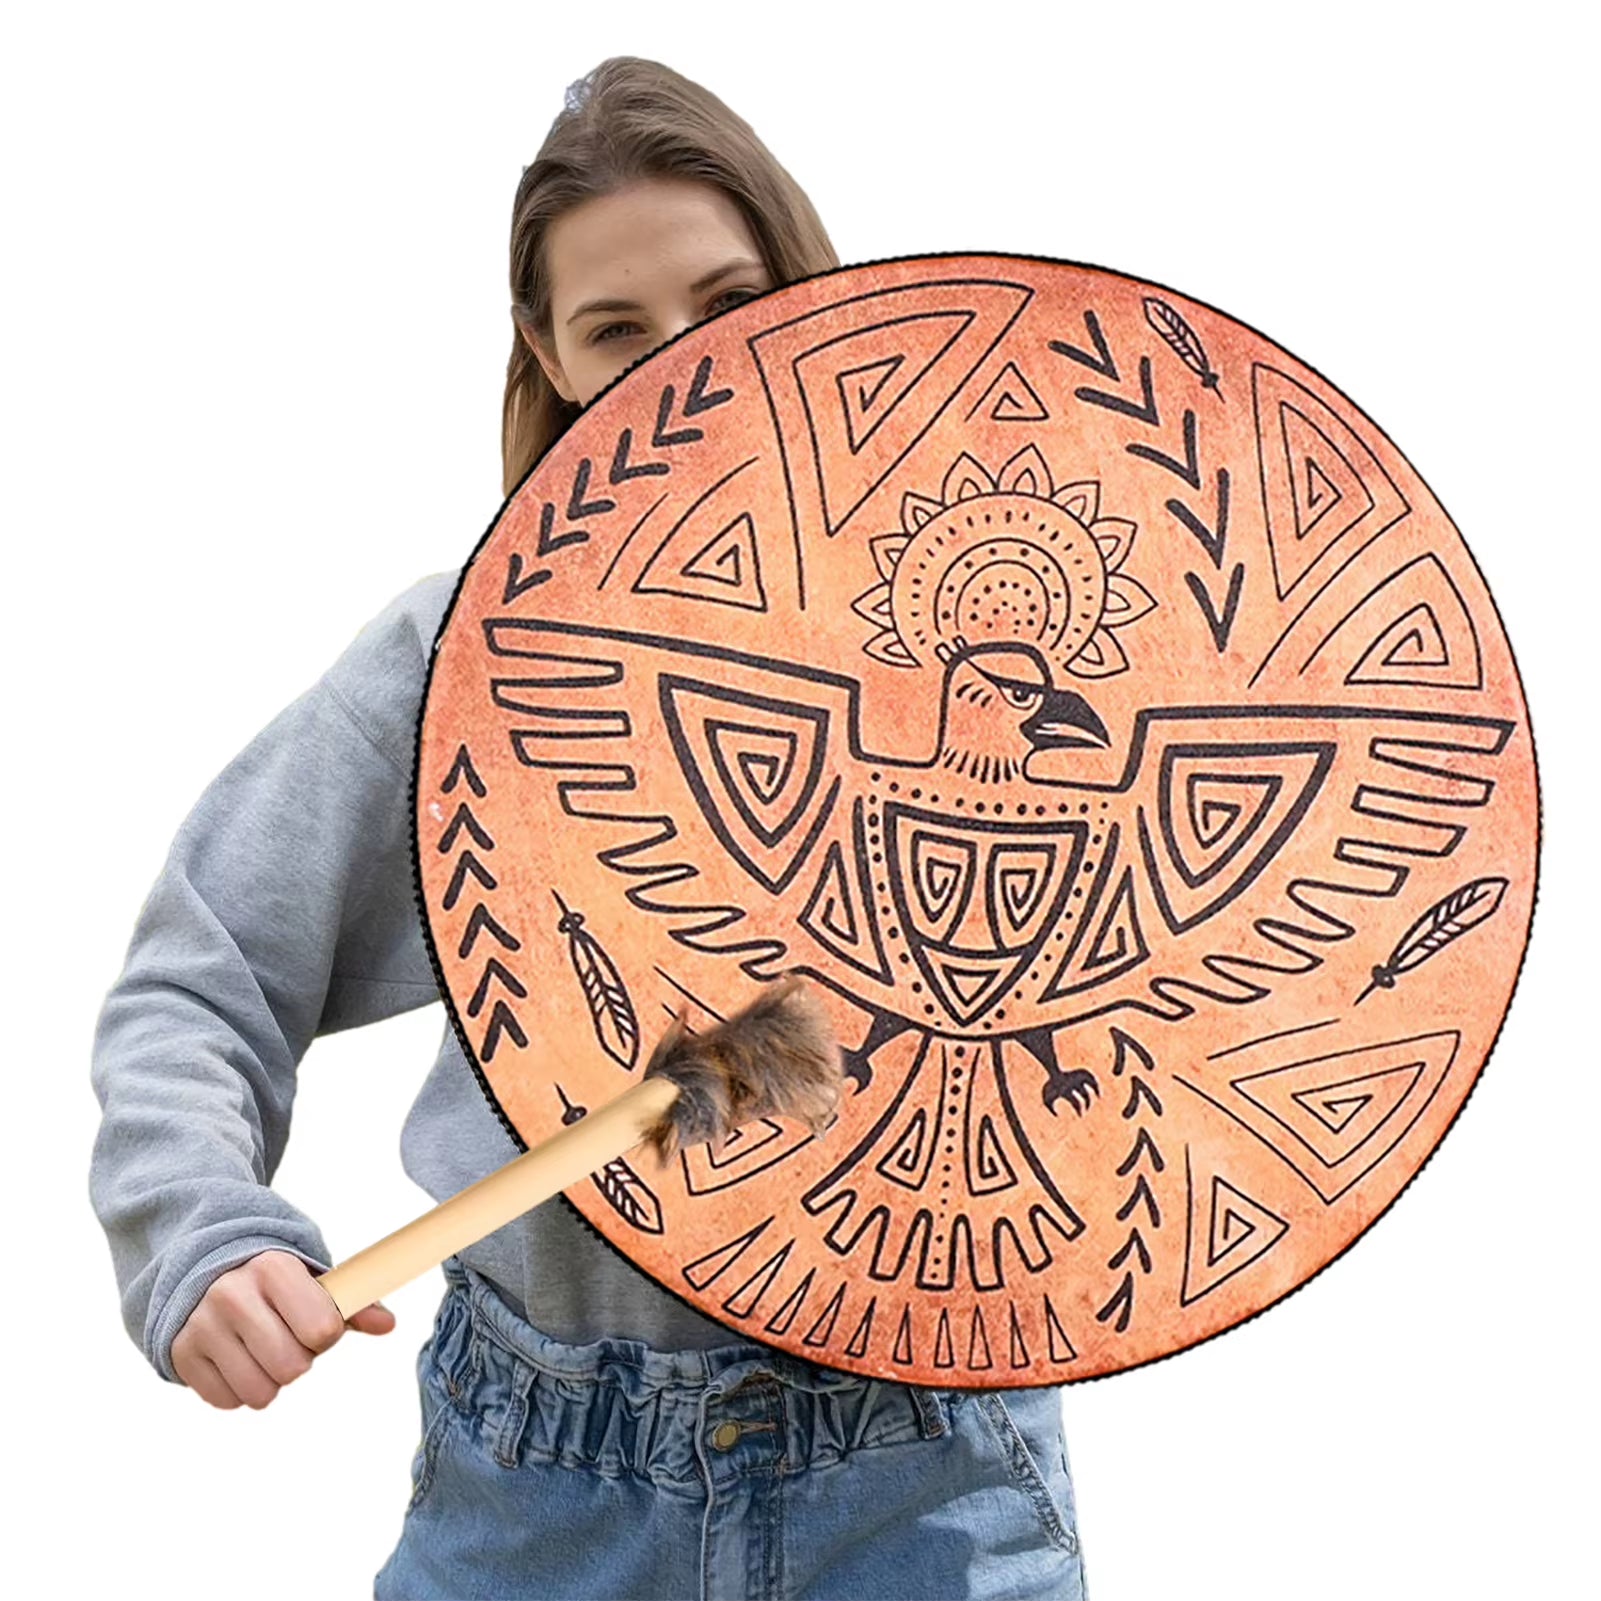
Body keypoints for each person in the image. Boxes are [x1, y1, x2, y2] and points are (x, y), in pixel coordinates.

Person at [89, 55, 1090, 1601]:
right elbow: (202, 974)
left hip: (926, 1475)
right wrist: (202, 1234)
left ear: (810, 300)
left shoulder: (1023, 665)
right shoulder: (458, 670)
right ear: (547, 357)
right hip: (538, 1485)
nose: (677, 363)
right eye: (615, 328)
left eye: (725, 298)